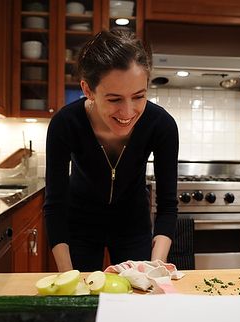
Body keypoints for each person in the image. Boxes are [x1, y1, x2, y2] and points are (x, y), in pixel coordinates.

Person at [44, 29, 179, 272]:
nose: (128, 113)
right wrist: (68, 276)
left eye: (139, 96)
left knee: (136, 303)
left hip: (132, 223)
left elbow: (168, 205)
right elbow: (55, 205)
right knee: (83, 305)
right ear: (88, 90)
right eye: (115, 99)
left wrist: (154, 267)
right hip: (80, 225)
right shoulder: (65, 124)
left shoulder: (161, 125)